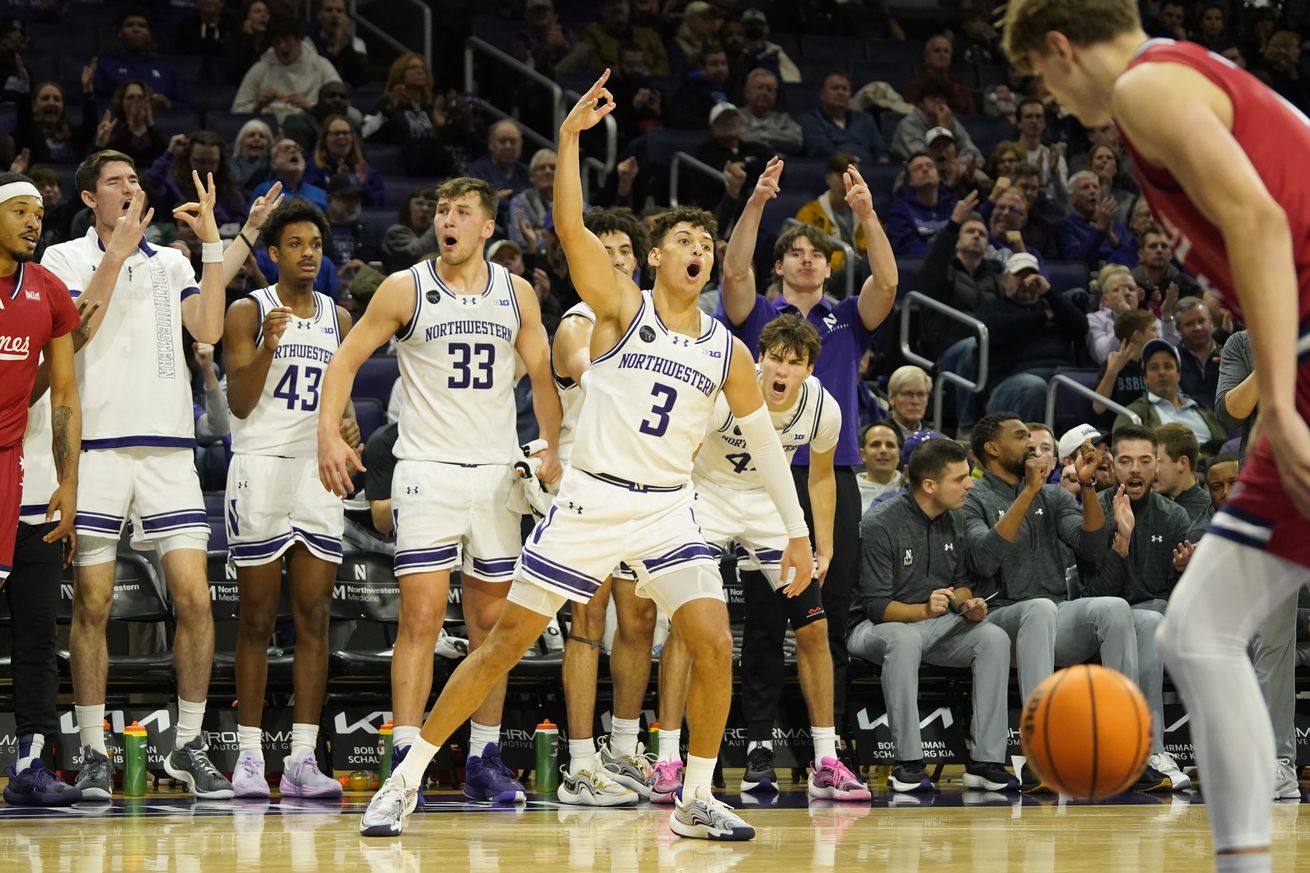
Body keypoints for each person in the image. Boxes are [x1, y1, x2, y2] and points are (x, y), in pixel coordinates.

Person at [344, 74, 813, 842]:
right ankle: (405, 777)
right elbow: (568, 228)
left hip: (667, 507)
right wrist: (567, 141)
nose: (698, 250)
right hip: (591, 500)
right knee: (502, 643)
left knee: (712, 639)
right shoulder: (621, 307)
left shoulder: (728, 350)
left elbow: (764, 444)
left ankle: (696, 793)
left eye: (707, 243)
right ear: (656, 257)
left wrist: (795, 532)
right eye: (685, 242)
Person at [1003, 2, 1310, 866]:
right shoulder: (1185, 70)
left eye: (1041, 81)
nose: (1054, 101)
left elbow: (1260, 221)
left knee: (1198, 628)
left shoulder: (1146, 87)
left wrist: (1280, 402)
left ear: (1059, 48)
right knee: (1196, 629)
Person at [317, 175, 562, 814]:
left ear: (488, 227)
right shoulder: (407, 288)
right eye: (441, 209)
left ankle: (482, 754)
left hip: (496, 476)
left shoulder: (517, 293)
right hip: (425, 470)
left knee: (492, 627)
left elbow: (541, 375)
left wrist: (556, 448)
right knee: (422, 619)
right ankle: (406, 756)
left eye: (462, 212)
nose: (447, 220)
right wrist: (328, 434)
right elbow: (344, 361)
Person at [39, 151, 245, 800]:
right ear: (89, 198)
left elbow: (208, 326)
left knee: (193, 597)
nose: (129, 188)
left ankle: (188, 743)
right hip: (95, 450)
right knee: (94, 603)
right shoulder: (62, 260)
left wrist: (212, 248)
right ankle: (94, 751)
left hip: (166, 451)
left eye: (134, 180)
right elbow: (73, 333)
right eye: (114, 182)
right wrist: (113, 258)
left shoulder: (173, 262)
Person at [719, 155, 897, 760]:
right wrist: (756, 202)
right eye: (795, 252)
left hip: (829, 474)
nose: (806, 259)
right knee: (766, 620)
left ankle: (830, 743)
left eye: (816, 254)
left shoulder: (846, 319)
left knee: (829, 615)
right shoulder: (760, 318)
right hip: (755, 477)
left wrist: (867, 215)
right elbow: (735, 268)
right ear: (781, 264)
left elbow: (889, 285)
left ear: (829, 265)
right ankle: (761, 741)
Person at [659, 314, 868, 802]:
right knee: (686, 627)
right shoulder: (725, 390)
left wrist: (826, 543)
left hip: (771, 506)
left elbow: (820, 477)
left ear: (809, 369)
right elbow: (681, 454)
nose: (782, 370)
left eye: (794, 363)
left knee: (814, 628)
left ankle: (826, 759)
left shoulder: (823, 408)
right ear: (761, 358)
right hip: (707, 495)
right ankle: (668, 758)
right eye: (775, 358)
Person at [222, 198, 355, 799]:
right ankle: (250, 756)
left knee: (314, 617)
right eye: (296, 245)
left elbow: (343, 404)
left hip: (314, 471)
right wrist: (269, 346)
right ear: (273, 254)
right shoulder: (248, 311)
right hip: (259, 468)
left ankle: (303, 757)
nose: (309, 254)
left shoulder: (340, 318)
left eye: (316, 245)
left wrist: (348, 427)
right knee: (254, 619)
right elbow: (240, 404)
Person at [962, 412, 1138, 789]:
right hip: (994, 621)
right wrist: (1027, 492)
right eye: (1021, 436)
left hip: (1049, 617)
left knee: (1114, 609)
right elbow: (982, 559)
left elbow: (1091, 550)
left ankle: (1124, 740)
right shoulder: (972, 496)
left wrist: (1088, 485)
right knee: (1039, 610)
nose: (1031, 444)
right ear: (992, 449)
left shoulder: (1055, 495)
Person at [550, 207, 658, 807]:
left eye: (622, 251)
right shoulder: (576, 321)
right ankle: (580, 761)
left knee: (638, 621)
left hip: (644, 486)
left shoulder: (654, 318)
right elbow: (591, 373)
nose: (613, 259)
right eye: (602, 249)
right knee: (587, 626)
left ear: (637, 260)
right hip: (587, 484)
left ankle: (623, 748)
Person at [852, 438, 1018, 794]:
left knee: (993, 637)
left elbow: (958, 584)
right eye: (960, 479)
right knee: (905, 637)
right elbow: (876, 606)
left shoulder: (955, 520)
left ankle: (986, 761)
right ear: (929, 486)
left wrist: (966, 604)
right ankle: (907, 763)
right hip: (874, 629)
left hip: (934, 626)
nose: (970, 485)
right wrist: (925, 610)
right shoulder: (881, 523)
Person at [0, 172, 83, 805]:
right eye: (20, 211)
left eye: (38, 212)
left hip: (20, 480)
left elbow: (64, 397)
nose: (34, 221)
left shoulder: (49, 291)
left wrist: (69, 481)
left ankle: (32, 765)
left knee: (36, 633)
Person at [1079, 424, 1193, 791]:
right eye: (1126, 461)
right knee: (1138, 618)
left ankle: (1144, 749)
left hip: (1151, 616)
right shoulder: (1096, 511)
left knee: (1150, 617)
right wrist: (1121, 543)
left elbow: (1175, 598)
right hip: (1099, 619)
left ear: (1157, 465)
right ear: (1112, 464)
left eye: (1145, 461)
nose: (1135, 470)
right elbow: (1093, 591)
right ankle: (1148, 749)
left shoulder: (1173, 516)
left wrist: (1182, 572)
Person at [1115, 339, 1227, 453]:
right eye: (1154, 367)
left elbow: (1224, 443)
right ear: (1145, 378)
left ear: (1178, 374)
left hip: (1216, 464)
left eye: (1168, 366)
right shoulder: (1135, 413)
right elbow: (1120, 448)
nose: (1162, 372)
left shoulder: (1199, 407)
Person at [232, 16, 341, 120]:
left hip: (309, 125)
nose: (282, 46)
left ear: (299, 40)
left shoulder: (321, 65)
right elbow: (236, 111)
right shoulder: (260, 68)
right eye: (277, 42)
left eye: (287, 40)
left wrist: (310, 107)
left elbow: (340, 103)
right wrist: (258, 106)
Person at [1155, 423, 1215, 542]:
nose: (1150, 469)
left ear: (1182, 463)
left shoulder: (1208, 512)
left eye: (1157, 461)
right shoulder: (1145, 505)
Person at [858, 422, 902, 513]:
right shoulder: (849, 491)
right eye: (875, 444)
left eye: (890, 445)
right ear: (863, 455)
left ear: (898, 455)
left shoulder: (912, 488)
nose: (883, 450)